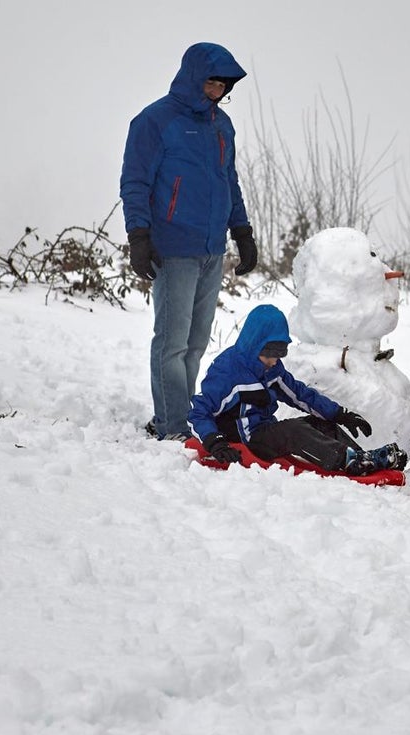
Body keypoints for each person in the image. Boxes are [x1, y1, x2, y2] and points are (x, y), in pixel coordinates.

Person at [120, 42, 259, 441]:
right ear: (194, 78)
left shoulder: (222, 125)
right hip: (173, 247)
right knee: (172, 342)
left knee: (196, 342)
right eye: (211, 83)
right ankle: (172, 425)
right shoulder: (154, 121)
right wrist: (139, 236)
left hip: (211, 250)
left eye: (223, 85)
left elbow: (228, 181)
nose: (217, 91)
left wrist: (242, 231)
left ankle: (174, 414)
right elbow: (135, 183)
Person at [189, 304, 407, 475]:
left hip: (264, 431)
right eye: (270, 356)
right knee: (293, 431)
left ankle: (362, 458)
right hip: (243, 440)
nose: (275, 362)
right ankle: (349, 461)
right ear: (255, 346)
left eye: (278, 356)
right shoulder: (228, 372)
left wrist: (340, 414)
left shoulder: (271, 369)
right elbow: (199, 410)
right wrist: (214, 442)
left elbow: (300, 395)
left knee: (319, 424)